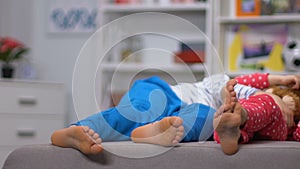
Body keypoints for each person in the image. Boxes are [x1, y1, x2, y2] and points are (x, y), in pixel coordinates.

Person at [51, 73, 300, 155]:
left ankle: (151, 134)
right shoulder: (249, 89)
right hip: (166, 94)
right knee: (130, 112)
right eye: (283, 99)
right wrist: (279, 80)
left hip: (188, 113)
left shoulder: (265, 118)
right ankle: (76, 131)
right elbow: (235, 81)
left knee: (204, 120)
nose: (285, 108)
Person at [213, 76, 300, 155]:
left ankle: (242, 116)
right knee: (237, 126)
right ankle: (234, 132)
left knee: (268, 103)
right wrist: (281, 80)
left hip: (277, 126)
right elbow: (237, 81)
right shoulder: (267, 90)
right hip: (249, 118)